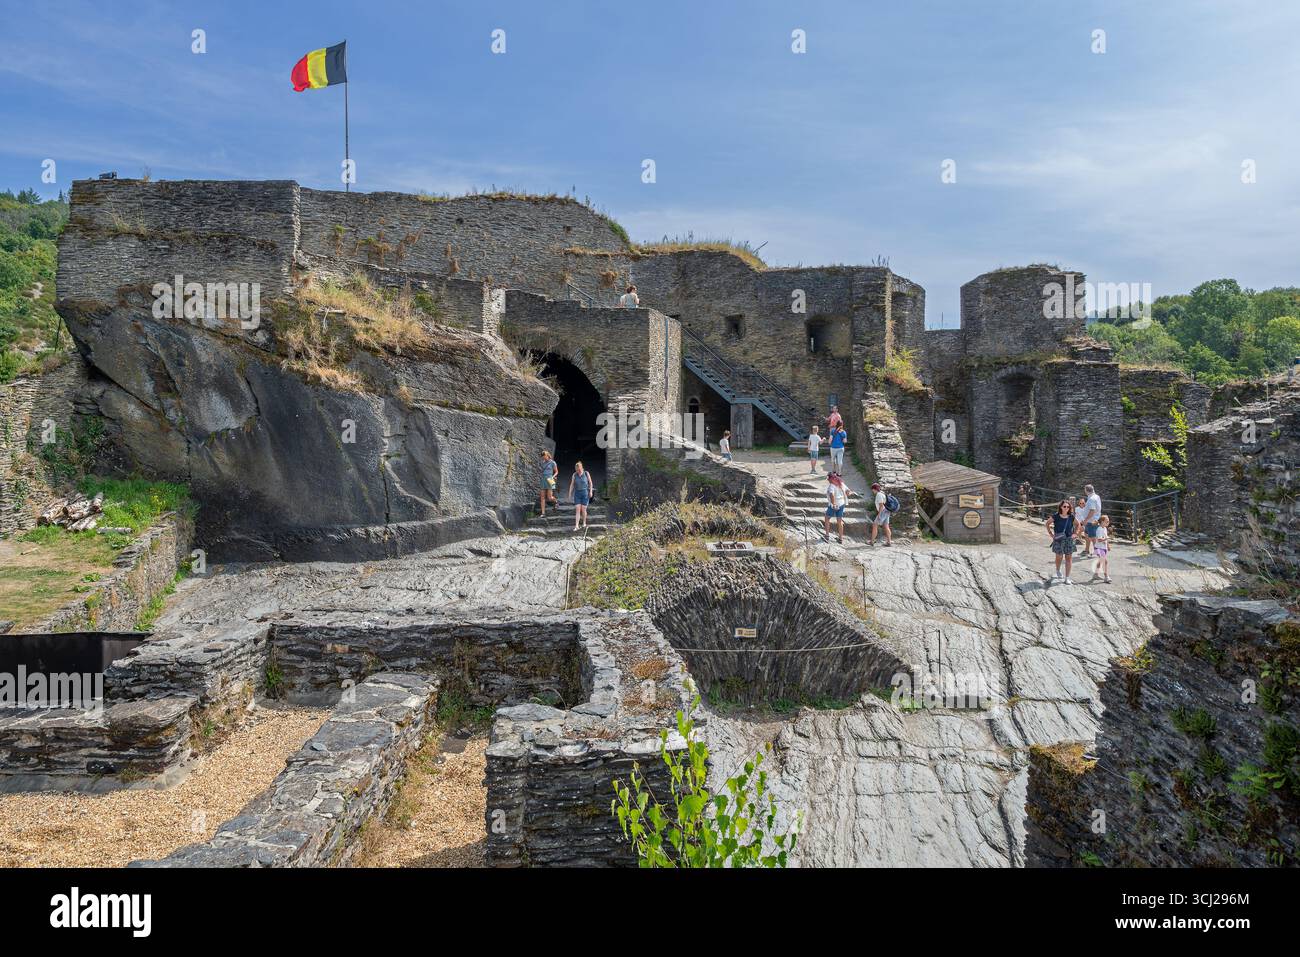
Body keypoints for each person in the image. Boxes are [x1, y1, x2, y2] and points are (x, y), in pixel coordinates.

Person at [1046, 499, 1080, 583]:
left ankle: (1067, 577)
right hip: (1058, 539)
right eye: (1064, 506)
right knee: (1059, 556)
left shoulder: (1071, 516)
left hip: (1069, 539)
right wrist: (1051, 534)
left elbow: (1078, 524)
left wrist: (1075, 533)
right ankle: (1058, 571)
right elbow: (1047, 523)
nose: (1066, 508)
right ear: (1061, 507)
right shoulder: (1056, 516)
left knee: (1068, 558)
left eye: (1068, 507)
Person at [824, 472, 850, 544]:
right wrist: (845, 495)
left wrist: (834, 503)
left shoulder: (832, 486)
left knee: (827, 518)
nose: (828, 481)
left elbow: (831, 494)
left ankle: (827, 536)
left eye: (829, 479)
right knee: (839, 521)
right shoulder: (841, 483)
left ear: (832, 479)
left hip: (834, 505)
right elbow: (848, 491)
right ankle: (840, 538)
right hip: (842, 504)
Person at [568, 460, 594, 531]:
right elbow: (572, 485)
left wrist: (591, 491)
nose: (578, 471)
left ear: (581, 467)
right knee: (577, 509)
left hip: (585, 493)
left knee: (583, 509)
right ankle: (576, 525)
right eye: (576, 470)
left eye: (579, 469)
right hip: (577, 494)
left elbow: (590, 483)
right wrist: (570, 494)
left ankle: (584, 523)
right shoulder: (574, 475)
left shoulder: (586, 473)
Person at [1081, 484, 1102, 557]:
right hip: (1093, 520)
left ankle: (1098, 553)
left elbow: (1092, 511)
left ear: (1086, 491)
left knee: (1093, 538)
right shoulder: (1096, 496)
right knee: (1087, 536)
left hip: (1091, 521)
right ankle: (1087, 550)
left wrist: (1086, 520)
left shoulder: (1091, 499)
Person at [1091, 514, 1113, 584]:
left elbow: (1105, 538)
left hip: (1104, 548)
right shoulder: (1099, 529)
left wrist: (1108, 545)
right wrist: (1107, 538)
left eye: (1108, 521)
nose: (1108, 522)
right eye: (1107, 521)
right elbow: (1099, 539)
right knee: (1105, 561)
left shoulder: (1104, 528)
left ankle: (1096, 574)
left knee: (1100, 561)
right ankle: (1106, 577)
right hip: (1099, 548)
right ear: (1102, 522)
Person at [869, 482, 893, 547]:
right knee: (886, 526)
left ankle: (872, 541)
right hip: (887, 511)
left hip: (882, 512)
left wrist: (879, 515)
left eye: (872, 489)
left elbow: (881, 505)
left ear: (874, 489)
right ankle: (889, 542)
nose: (872, 491)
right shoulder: (882, 493)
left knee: (875, 525)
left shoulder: (879, 495)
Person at [539, 450, 558, 516]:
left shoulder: (553, 463)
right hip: (543, 479)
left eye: (544, 457)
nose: (544, 458)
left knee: (549, 497)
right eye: (543, 458)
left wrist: (553, 476)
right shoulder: (543, 463)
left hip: (550, 479)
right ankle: (543, 513)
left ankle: (555, 501)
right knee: (542, 497)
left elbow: (556, 472)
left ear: (547, 455)